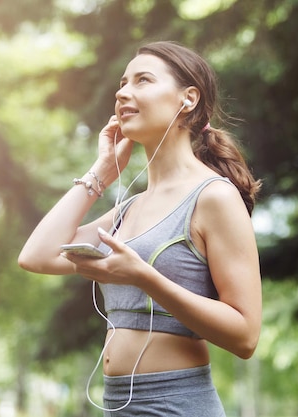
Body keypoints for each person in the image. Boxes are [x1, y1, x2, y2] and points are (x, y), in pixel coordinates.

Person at [18, 40, 262, 416]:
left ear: (188, 99)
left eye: (142, 80)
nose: (122, 92)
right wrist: (101, 172)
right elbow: (36, 255)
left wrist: (143, 277)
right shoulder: (129, 208)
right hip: (118, 406)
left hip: (177, 405)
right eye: (122, 82)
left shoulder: (214, 196)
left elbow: (245, 335)